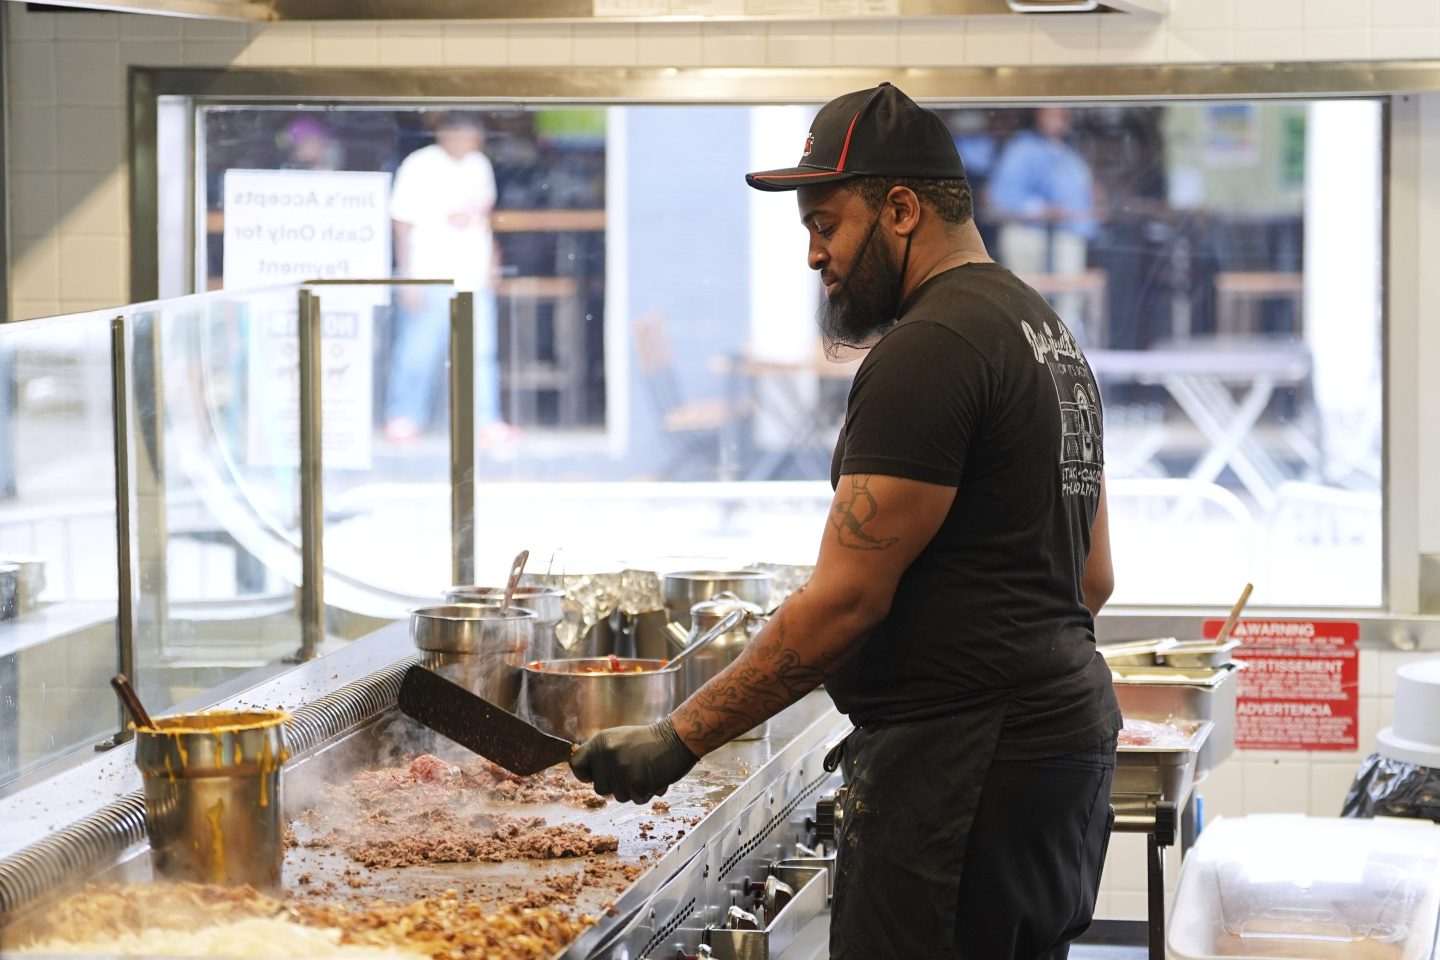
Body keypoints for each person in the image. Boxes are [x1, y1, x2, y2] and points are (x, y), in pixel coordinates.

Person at [569, 83, 1119, 960]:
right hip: (1060, 756)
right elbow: (1091, 578)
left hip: (961, 770)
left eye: (826, 224)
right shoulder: (1044, 332)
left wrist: (677, 741)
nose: (815, 256)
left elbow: (845, 603)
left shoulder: (931, 348)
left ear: (900, 209)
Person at [384, 112, 511, 444]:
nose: (471, 142)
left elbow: (483, 220)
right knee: (417, 351)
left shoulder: (478, 166)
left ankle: (484, 420)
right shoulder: (420, 165)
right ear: (446, 134)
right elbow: (402, 222)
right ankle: (404, 416)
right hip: (429, 274)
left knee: (479, 353)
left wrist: (492, 264)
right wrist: (407, 277)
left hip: (471, 275)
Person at [986, 107, 1099, 343]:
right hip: (1029, 234)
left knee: (1068, 303)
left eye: (1065, 115)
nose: (1061, 121)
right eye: (1055, 114)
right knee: (1027, 301)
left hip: (1066, 236)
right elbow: (1001, 197)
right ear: (1039, 115)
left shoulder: (1069, 155)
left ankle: (1064, 353)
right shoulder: (1022, 149)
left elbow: (1082, 205)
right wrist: (1040, 209)